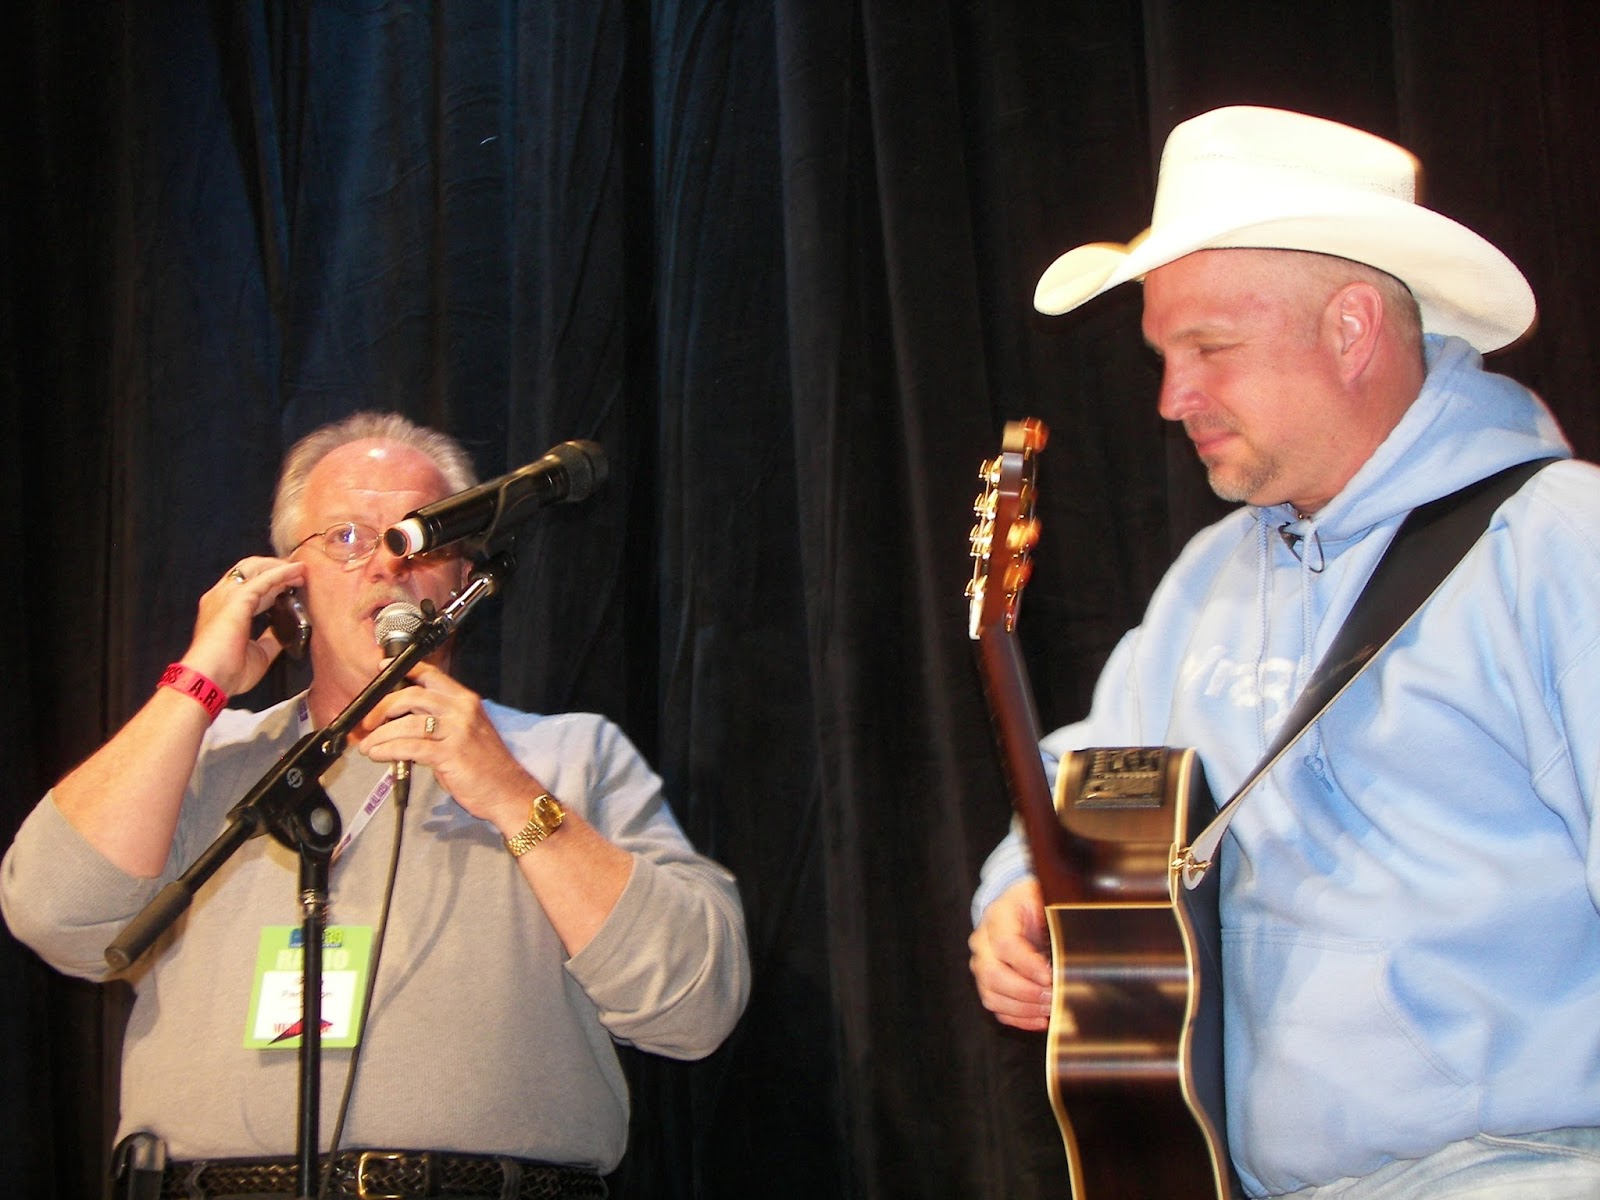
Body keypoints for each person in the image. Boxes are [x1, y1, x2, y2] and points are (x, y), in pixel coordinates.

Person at [967, 106, 1600, 1198]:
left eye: (1210, 349)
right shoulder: (1210, 579)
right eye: (1164, 357)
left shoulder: (1559, 546)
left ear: (1351, 330)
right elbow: (1095, 788)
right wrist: (1020, 896)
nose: (1172, 400)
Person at [2, 411, 750, 1199]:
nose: (387, 567)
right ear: (289, 584)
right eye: (347, 539)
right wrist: (199, 680)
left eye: (421, 537)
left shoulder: (569, 757)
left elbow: (695, 1006)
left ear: (461, 576)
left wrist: (509, 794)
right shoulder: (200, 759)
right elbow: (55, 915)